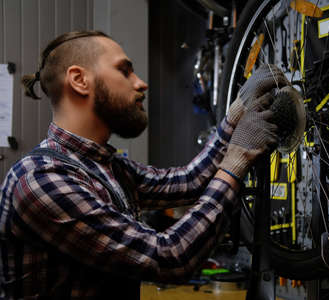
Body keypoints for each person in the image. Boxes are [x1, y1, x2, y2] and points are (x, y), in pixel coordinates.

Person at [0, 30, 289, 299]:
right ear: (79, 80)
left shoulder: (102, 165)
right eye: (124, 70)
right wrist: (236, 162)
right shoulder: (40, 180)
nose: (141, 83)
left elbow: (189, 181)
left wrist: (237, 111)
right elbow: (169, 257)